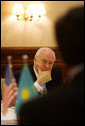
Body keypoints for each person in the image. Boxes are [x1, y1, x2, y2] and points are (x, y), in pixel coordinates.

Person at [18, 6, 84, 125]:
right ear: (35, 61)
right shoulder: (23, 73)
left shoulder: (56, 72)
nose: (48, 66)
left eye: (51, 63)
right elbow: (21, 100)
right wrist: (38, 83)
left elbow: (60, 98)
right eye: (44, 61)